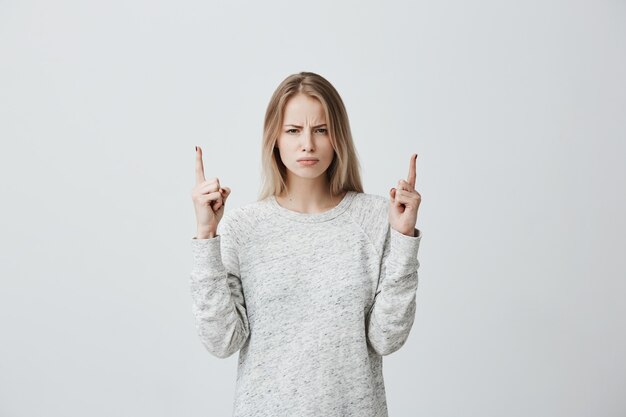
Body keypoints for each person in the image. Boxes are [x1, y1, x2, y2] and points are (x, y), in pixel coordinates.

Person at [189, 71, 422, 417]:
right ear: (275, 139)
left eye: (321, 130)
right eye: (293, 130)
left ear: (338, 137)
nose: (307, 144)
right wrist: (206, 236)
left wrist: (403, 239)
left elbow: (387, 338)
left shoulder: (377, 218)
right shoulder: (243, 227)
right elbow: (223, 341)